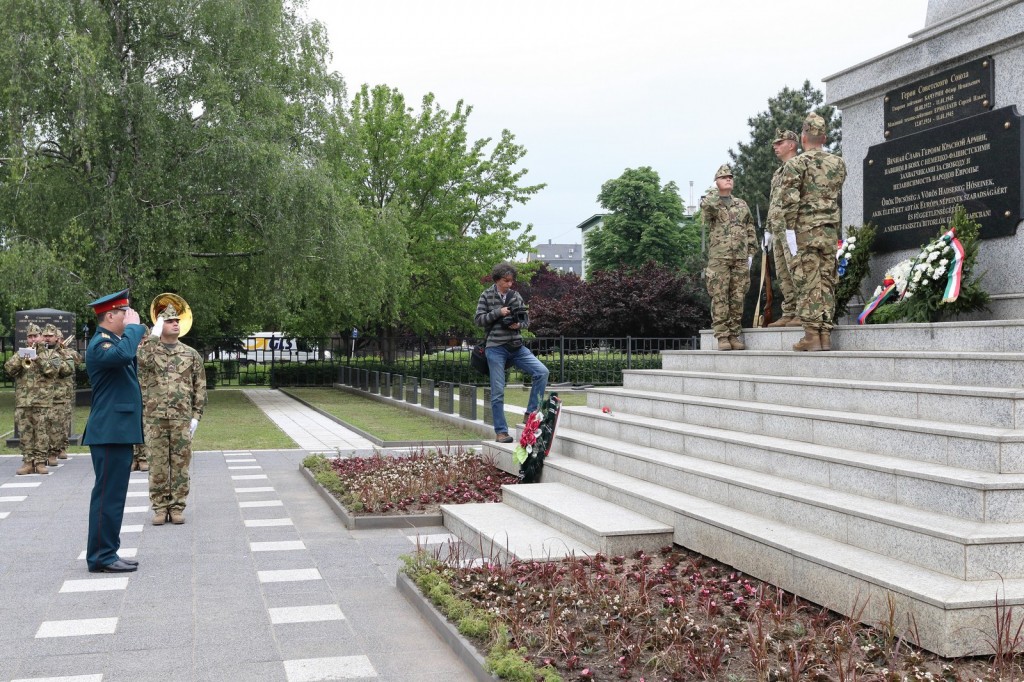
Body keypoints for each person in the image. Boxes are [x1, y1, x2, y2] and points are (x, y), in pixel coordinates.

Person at [83, 289, 145, 573]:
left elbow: (127, 355)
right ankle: (101, 557)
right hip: (109, 431)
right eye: (124, 313)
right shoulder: (101, 344)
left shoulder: (115, 343)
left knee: (114, 496)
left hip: (116, 431)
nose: (128, 316)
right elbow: (122, 355)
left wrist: (133, 332)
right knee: (108, 496)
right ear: (110, 316)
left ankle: (108, 551)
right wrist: (133, 328)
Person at [777, 112, 848, 352]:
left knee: (808, 280)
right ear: (825, 138)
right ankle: (825, 334)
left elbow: (789, 203)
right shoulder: (838, 163)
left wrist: (789, 233)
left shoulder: (795, 164)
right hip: (829, 230)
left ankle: (811, 335)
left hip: (804, 232)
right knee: (827, 280)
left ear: (803, 138)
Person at [137, 300, 206, 525]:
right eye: (169, 321)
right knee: (157, 465)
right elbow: (141, 361)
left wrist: (196, 416)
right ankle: (159, 508)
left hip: (181, 419)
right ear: (159, 325)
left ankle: (177, 507)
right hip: (154, 418)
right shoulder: (149, 351)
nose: (175, 324)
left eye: (176, 320)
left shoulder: (190, 354)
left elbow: (200, 386)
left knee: (180, 465)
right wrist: (153, 336)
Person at [474, 262, 549, 443]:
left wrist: (518, 325)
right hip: (495, 348)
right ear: (497, 279)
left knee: (542, 372)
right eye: (505, 281)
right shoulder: (486, 295)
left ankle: (531, 413)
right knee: (498, 391)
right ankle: (501, 432)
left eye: (511, 281)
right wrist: (498, 313)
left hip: (516, 347)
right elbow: (478, 320)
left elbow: (526, 321)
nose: (509, 284)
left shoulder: (515, 296)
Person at [701, 164, 757, 351]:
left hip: (740, 258)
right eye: (724, 177)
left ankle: (734, 334)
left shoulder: (741, 204)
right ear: (716, 182)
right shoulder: (712, 202)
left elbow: (749, 227)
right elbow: (706, 205)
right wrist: (714, 190)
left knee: (737, 297)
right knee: (720, 296)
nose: (728, 179)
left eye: (730, 177)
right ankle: (722, 336)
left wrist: (751, 251)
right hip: (719, 258)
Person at [5, 323, 58, 475]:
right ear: (27, 338)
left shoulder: (51, 354)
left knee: (41, 433)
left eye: (35, 336)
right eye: (30, 336)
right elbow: (9, 368)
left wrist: (38, 359)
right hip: (23, 401)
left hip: (42, 402)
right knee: (25, 433)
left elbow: (53, 371)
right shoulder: (21, 354)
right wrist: (21, 357)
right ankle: (28, 462)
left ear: (41, 337)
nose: (33, 339)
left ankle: (40, 462)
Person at [765, 129, 804, 328]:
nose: (775, 146)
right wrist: (768, 229)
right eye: (775, 143)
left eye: (779, 143)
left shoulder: (799, 165)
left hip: (792, 229)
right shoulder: (778, 172)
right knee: (782, 272)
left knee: (796, 268)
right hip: (778, 229)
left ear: (792, 144)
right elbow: (773, 202)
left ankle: (802, 311)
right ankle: (789, 311)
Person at [41, 323, 75, 467]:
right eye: (45, 336)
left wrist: (55, 359)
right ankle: (40, 454)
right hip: (40, 395)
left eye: (50, 336)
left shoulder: (64, 353)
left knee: (56, 426)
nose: (47, 338)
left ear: (56, 337)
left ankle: (53, 452)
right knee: (41, 426)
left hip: (58, 395)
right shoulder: (37, 351)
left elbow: (68, 370)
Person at [53, 328, 81, 460]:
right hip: (48, 392)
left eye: (59, 339)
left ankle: (62, 447)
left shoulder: (67, 352)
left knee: (63, 422)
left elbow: (78, 360)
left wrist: (63, 351)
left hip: (64, 392)